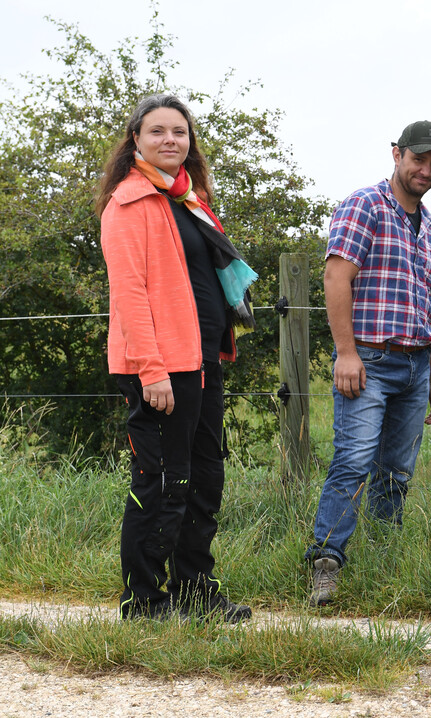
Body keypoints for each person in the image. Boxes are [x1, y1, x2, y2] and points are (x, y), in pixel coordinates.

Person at [97, 93, 258, 622]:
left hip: (201, 359)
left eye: (180, 132)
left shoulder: (190, 200)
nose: (171, 140)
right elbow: (131, 293)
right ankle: (143, 601)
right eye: (158, 131)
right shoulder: (129, 203)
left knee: (206, 476)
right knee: (161, 480)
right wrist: (151, 370)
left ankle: (194, 592)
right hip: (159, 367)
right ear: (136, 140)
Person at [305, 120, 431, 607]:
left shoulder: (430, 227)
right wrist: (346, 353)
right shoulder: (365, 205)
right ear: (397, 154)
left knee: (397, 472)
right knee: (353, 461)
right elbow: (335, 277)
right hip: (369, 357)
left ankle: (385, 563)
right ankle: (325, 564)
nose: (426, 171)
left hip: (414, 364)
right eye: (419, 160)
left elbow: (430, 306)